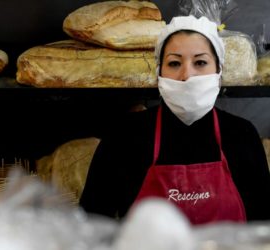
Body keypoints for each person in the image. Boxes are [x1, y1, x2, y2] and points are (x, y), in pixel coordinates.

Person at [79, 15, 270, 224]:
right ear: (159, 72)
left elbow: (262, 226)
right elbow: (90, 227)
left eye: (200, 62)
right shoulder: (125, 136)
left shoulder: (242, 135)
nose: (186, 75)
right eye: (174, 63)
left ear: (218, 71)